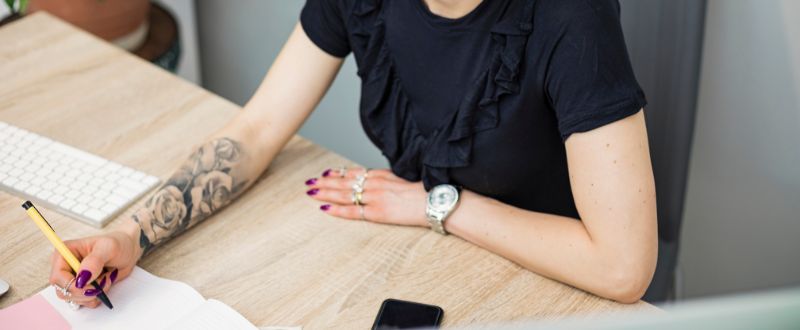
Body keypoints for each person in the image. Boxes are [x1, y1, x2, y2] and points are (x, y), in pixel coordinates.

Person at [48, 0, 657, 308]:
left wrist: (437, 205)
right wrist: (130, 235)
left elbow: (623, 269)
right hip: (424, 267)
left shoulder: (572, 19)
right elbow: (257, 131)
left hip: (545, 287)